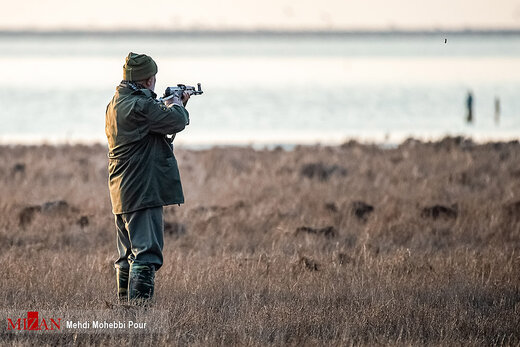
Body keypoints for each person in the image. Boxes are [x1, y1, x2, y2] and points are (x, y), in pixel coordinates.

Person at [105, 52, 190, 304]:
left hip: (122, 192)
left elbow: (151, 127)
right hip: (142, 190)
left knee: (127, 256)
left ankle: (125, 311)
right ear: (146, 80)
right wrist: (177, 103)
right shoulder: (140, 106)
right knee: (147, 255)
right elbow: (176, 120)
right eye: (152, 78)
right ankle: (139, 317)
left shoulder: (116, 103)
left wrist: (166, 103)